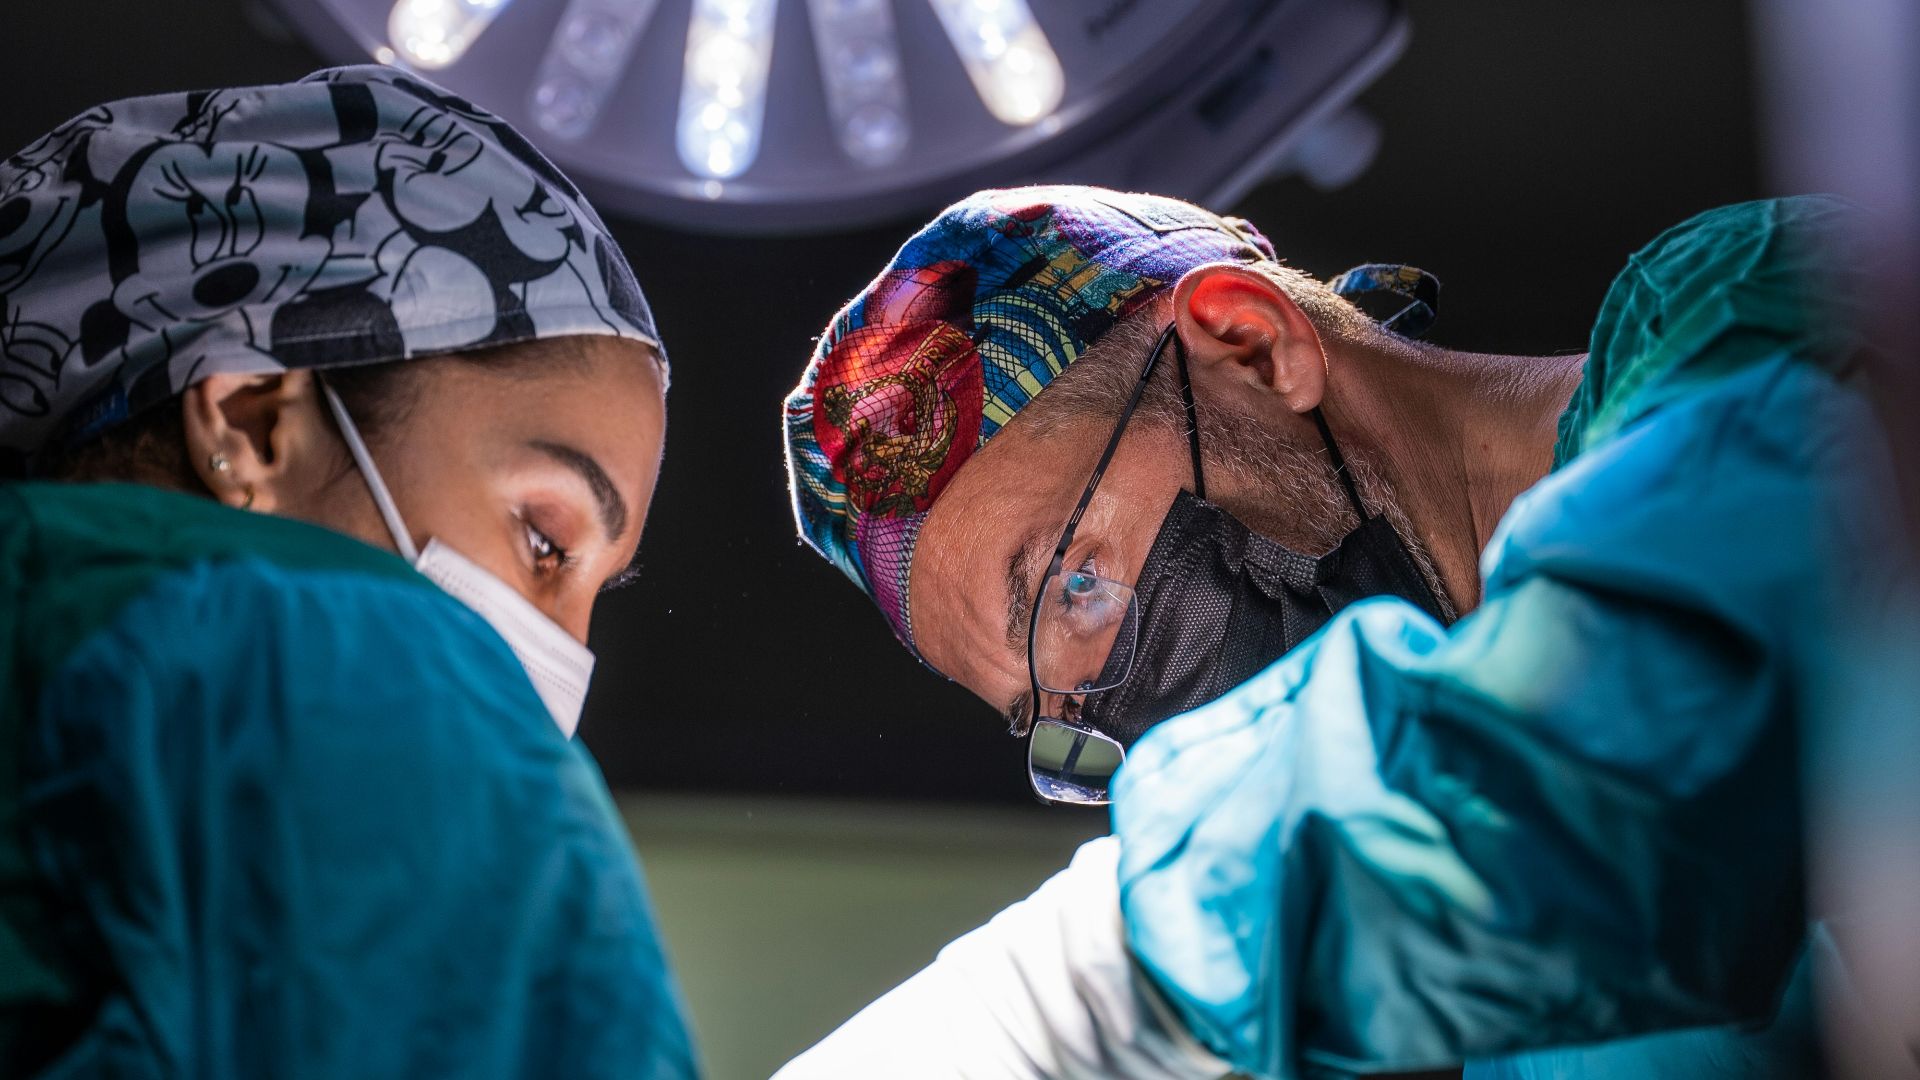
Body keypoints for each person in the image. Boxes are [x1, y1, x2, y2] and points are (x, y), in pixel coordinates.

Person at [777, 186, 1897, 1076]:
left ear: (1253, 348)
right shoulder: (1475, 1007)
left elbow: (1651, 739)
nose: (1120, 726)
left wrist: (1080, 994)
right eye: (1059, 724)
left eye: (1074, 589)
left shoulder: (1743, 321)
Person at [0, 68, 697, 1076]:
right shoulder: (361, 700)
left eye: (593, 590)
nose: (567, 658)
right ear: (254, 421)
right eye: (545, 542)